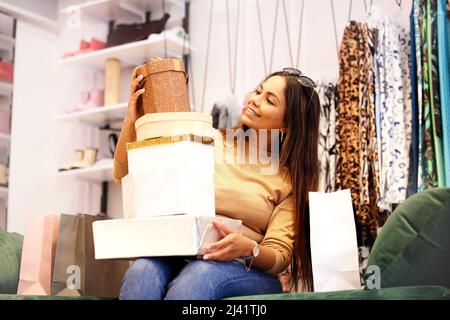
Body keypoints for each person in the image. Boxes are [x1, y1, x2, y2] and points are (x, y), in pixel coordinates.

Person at [113, 66, 321, 300]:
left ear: (287, 125)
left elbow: (279, 255)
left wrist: (248, 248)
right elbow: (125, 173)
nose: (254, 100)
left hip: (244, 269)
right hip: (179, 252)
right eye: (258, 91)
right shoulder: (208, 138)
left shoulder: (288, 181)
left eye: (269, 101)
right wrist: (133, 119)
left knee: (199, 275)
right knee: (142, 271)